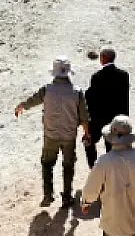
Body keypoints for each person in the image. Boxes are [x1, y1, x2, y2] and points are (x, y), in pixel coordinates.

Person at [15, 57, 91, 208]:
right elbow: (84, 117)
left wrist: (21, 106)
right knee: (68, 165)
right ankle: (67, 197)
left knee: (47, 163)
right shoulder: (77, 92)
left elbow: (33, 100)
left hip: (50, 135)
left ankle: (48, 195)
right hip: (69, 136)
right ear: (69, 72)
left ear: (54, 73)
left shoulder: (47, 89)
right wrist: (86, 134)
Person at [84, 46, 130, 169]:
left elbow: (91, 99)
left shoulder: (97, 77)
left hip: (98, 120)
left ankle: (95, 170)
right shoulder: (124, 76)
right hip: (116, 121)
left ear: (103, 58)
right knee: (113, 149)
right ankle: (112, 175)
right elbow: (125, 99)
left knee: (88, 141)